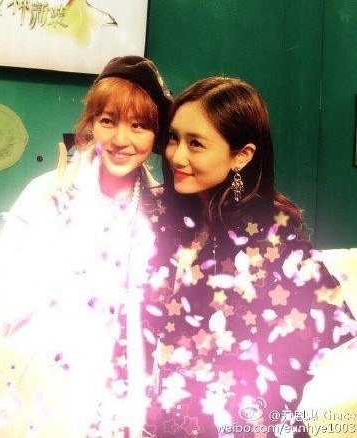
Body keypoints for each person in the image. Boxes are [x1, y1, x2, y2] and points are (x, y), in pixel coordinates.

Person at [142, 77, 356, 437]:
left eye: (196, 143)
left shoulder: (274, 238)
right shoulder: (160, 218)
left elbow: (332, 331)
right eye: (174, 138)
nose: (177, 155)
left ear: (241, 155)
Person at [0, 56, 172, 437]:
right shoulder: (47, 192)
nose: (121, 140)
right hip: (45, 381)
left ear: (155, 136)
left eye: (138, 126)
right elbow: (3, 291)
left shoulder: (161, 209)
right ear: (91, 124)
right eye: (108, 121)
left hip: (125, 381)